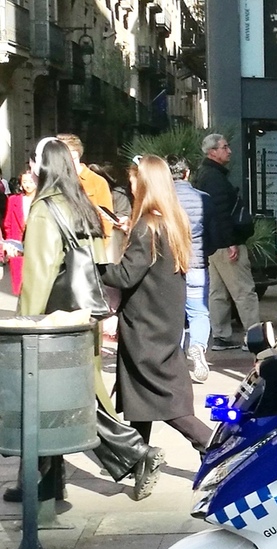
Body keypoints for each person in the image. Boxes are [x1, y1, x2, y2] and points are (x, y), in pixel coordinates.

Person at [7, 138, 164, 503]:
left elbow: (40, 273)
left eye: (33, 161)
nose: (29, 168)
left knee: (65, 401)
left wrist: (25, 322)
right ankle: (44, 481)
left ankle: (139, 455)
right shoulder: (81, 204)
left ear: (44, 165)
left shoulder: (47, 209)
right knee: (62, 399)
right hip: (80, 317)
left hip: (53, 323)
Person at [101, 155, 212, 456]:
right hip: (164, 320)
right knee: (144, 398)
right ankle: (139, 462)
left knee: (161, 398)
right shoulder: (171, 219)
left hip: (145, 325)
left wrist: (93, 268)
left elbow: (126, 274)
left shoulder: (147, 225)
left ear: (146, 182)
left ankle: (212, 443)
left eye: (135, 179)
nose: (131, 184)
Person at [194, 132, 259, 351]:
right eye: (224, 147)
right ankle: (254, 336)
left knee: (218, 292)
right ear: (213, 152)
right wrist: (231, 241)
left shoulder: (204, 175)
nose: (229, 150)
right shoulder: (215, 178)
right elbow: (221, 212)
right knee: (244, 291)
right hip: (226, 243)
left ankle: (221, 335)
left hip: (212, 244)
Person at [169, 155, 212, 383]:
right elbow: (212, 232)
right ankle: (197, 346)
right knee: (199, 312)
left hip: (170, 266)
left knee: (172, 313)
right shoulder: (202, 199)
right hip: (196, 262)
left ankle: (174, 359)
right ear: (187, 174)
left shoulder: (163, 201)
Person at [55, 134, 115, 242]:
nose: (70, 162)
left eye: (73, 158)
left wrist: (99, 249)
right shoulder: (55, 181)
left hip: (89, 246)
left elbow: (106, 221)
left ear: (79, 155)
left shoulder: (97, 182)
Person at [1, 169, 36, 295]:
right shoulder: (13, 200)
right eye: (25, 181)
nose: (27, 185)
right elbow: (7, 223)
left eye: (31, 181)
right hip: (17, 243)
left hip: (36, 244)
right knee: (20, 281)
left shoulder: (42, 200)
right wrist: (10, 243)